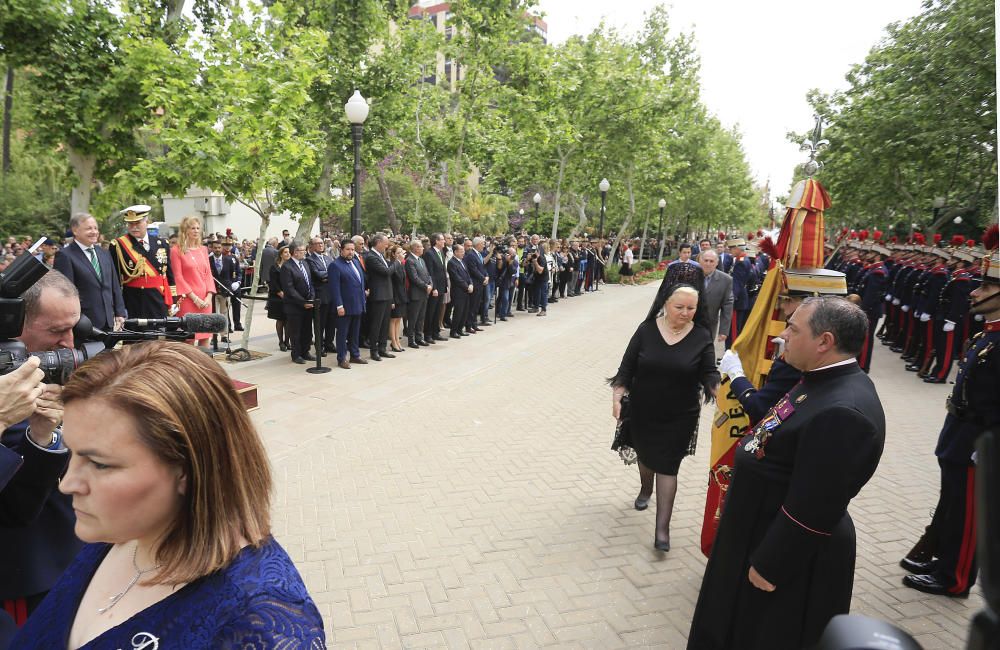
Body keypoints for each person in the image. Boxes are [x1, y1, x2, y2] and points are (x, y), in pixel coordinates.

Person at [11, 341, 325, 648]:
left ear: (189, 469)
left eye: (99, 463)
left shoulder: (259, 621)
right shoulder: (117, 537)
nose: (67, 484)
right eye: (73, 453)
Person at [687, 297, 885, 650]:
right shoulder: (819, 379)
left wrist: (770, 564)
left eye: (793, 328)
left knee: (763, 633)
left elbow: (815, 504)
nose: (783, 334)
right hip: (756, 529)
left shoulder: (844, 412)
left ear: (824, 342)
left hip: (782, 556)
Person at [900, 242, 1000, 597]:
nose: (975, 291)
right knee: (951, 503)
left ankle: (955, 578)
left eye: (986, 287)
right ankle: (942, 559)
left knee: (969, 513)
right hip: (959, 430)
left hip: (978, 439)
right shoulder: (987, 333)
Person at [611, 274, 720, 552]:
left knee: (668, 466)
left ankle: (662, 531)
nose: (685, 313)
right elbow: (626, 368)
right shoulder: (646, 330)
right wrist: (617, 398)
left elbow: (709, 372)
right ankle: (645, 489)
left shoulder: (701, 336)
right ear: (666, 304)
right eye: (679, 307)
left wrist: (720, 391)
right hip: (643, 409)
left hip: (680, 414)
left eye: (691, 308)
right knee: (646, 456)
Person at [0, 271, 82, 627]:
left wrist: (45, 434)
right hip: (28, 569)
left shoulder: (58, 361)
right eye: (55, 331)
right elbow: (14, 505)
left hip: (76, 555)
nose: (68, 342)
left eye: (73, 327)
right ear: (15, 323)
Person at [54, 213, 127, 333]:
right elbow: (65, 293)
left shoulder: (104, 253)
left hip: (109, 322)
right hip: (83, 324)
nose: (94, 232)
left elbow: (114, 285)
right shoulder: (65, 255)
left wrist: (120, 312)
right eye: (89, 228)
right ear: (75, 230)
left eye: (95, 228)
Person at [108, 204, 176, 320]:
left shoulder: (162, 243)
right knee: (136, 337)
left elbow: (168, 274)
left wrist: (173, 299)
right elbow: (114, 279)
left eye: (137, 223)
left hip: (159, 299)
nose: (134, 227)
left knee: (159, 336)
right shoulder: (118, 245)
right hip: (133, 301)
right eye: (130, 224)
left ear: (147, 222)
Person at [170, 216, 214, 348]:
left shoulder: (203, 249)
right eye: (192, 228)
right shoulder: (176, 250)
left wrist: (209, 296)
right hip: (188, 299)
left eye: (198, 228)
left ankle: (203, 367)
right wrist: (194, 298)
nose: (196, 231)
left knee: (205, 336)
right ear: (185, 230)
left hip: (205, 300)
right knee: (188, 337)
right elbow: (178, 277)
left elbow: (208, 275)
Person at [328, 239, 367, 370]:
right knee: (342, 334)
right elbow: (334, 288)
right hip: (344, 306)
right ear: (341, 250)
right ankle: (342, 358)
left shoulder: (356, 262)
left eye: (352, 249)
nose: (351, 252)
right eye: (348, 249)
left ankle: (355, 355)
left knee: (355, 332)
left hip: (358, 304)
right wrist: (339, 305)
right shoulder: (335, 265)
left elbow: (360, 283)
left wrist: (363, 300)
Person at [280, 241, 316, 364]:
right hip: (295, 306)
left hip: (308, 304)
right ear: (295, 252)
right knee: (296, 332)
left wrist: (311, 298)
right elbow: (289, 289)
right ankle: (296, 355)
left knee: (307, 331)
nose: (305, 252)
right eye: (302, 251)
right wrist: (302, 302)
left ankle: (306, 352)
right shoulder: (287, 267)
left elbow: (310, 283)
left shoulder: (305, 263)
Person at [364, 234, 393, 361]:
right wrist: (397, 262)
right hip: (378, 295)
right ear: (378, 242)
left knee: (385, 324)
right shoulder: (371, 256)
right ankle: (374, 350)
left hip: (386, 293)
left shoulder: (380, 255)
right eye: (385, 243)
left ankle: (382, 348)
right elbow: (386, 272)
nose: (387, 246)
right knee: (376, 324)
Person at [305, 237, 336, 355]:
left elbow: (335, 272)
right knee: (320, 323)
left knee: (331, 322)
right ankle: (320, 346)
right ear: (311, 246)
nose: (320, 245)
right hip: (320, 296)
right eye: (317, 244)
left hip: (331, 294)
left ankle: (329, 343)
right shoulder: (310, 260)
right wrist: (327, 275)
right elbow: (318, 275)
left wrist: (327, 275)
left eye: (322, 243)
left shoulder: (328, 258)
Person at [698, 250, 733, 346]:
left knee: (704, 352)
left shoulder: (726, 280)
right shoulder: (689, 275)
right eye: (705, 260)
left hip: (709, 325)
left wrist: (723, 331)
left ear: (717, 263)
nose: (708, 264)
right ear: (700, 261)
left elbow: (727, 306)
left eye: (711, 261)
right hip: (686, 323)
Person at [208, 240, 240, 342]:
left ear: (221, 248)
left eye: (219, 247)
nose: (217, 249)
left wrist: (234, 284)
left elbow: (232, 275)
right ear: (211, 248)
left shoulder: (228, 260)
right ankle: (214, 336)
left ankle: (224, 335)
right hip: (213, 291)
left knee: (224, 313)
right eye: (215, 248)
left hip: (225, 291)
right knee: (214, 314)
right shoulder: (208, 260)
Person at [405, 240, 433, 349]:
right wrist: (426, 286)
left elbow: (427, 274)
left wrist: (430, 284)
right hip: (416, 293)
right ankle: (411, 340)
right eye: (421, 247)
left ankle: (419, 337)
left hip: (424, 293)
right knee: (413, 318)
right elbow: (414, 278)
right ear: (415, 248)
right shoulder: (410, 261)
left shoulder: (421, 260)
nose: (423, 248)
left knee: (421, 317)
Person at [423, 233, 448, 343]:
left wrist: (445, 285)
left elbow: (442, 270)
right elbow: (431, 272)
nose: (444, 241)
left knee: (438, 311)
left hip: (442, 286)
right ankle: (428, 334)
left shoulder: (441, 252)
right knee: (431, 312)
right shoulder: (429, 253)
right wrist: (434, 288)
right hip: (435, 287)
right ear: (436, 241)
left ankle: (435, 332)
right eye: (442, 239)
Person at [267, 245, 290, 351]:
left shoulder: (290, 266)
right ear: (281, 254)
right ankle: (281, 342)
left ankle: (287, 341)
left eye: (289, 252)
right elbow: (273, 283)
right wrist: (281, 293)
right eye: (285, 252)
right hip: (277, 297)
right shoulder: (274, 267)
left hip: (289, 296)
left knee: (289, 320)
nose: (288, 254)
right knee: (280, 319)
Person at [447, 244, 474, 339]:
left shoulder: (462, 261)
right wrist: (467, 287)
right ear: (455, 252)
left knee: (465, 311)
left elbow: (468, 275)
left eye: (463, 251)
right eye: (461, 251)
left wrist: (471, 283)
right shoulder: (452, 263)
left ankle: (460, 329)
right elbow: (457, 278)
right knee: (458, 311)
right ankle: (453, 331)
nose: (463, 252)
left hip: (466, 290)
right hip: (458, 291)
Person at [388, 244, 407, 353]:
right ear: (394, 254)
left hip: (402, 295)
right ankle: (394, 342)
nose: (401, 254)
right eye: (398, 252)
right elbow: (391, 284)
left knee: (399, 319)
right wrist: (392, 300)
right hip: (395, 296)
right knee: (393, 319)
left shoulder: (401, 265)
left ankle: (397, 341)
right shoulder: (392, 265)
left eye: (402, 252)